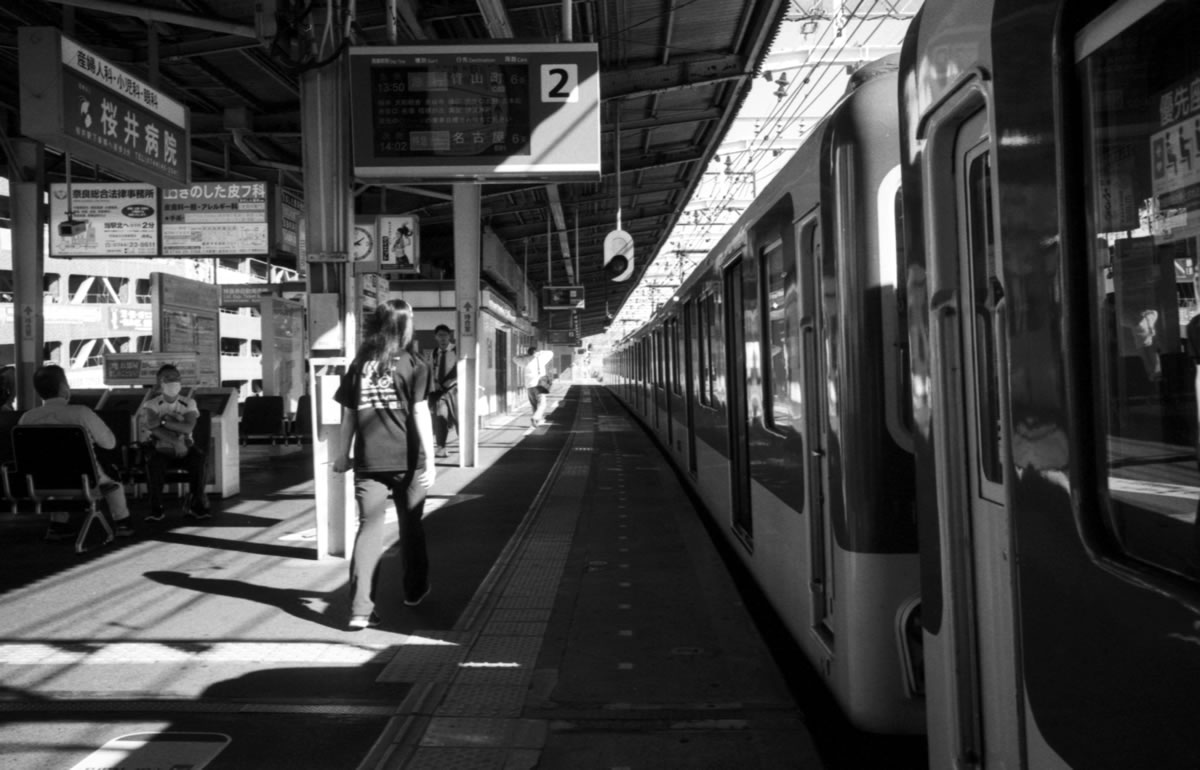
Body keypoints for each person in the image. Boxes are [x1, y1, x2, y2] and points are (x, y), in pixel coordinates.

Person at [333, 299, 437, 630]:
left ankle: (360, 610)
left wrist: (341, 453)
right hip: (408, 462)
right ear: (404, 325)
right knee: (411, 526)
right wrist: (431, 460)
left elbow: (349, 413)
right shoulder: (415, 362)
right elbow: (420, 413)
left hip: (368, 460)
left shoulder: (360, 363)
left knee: (369, 528)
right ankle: (414, 590)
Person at [20, 364, 134, 540]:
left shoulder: (26, 418)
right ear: (63, 387)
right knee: (112, 479)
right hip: (86, 479)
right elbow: (109, 443)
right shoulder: (81, 413)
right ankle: (122, 523)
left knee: (58, 472)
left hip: (43, 480)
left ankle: (58, 525)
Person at [138, 364, 210, 522]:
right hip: (161, 448)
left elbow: (188, 426)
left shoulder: (188, 403)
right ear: (159, 381)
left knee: (199, 460)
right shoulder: (151, 404)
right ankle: (156, 509)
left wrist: (163, 421)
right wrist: (176, 442)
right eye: (168, 378)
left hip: (186, 447)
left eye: (176, 377)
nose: (173, 381)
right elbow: (153, 429)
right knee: (153, 463)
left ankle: (196, 504)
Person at [428, 324, 458, 458]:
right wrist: (434, 382)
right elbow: (431, 370)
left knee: (459, 418)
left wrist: (452, 381)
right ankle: (441, 446)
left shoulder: (457, 350)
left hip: (455, 389)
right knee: (440, 417)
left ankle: (464, 443)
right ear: (435, 337)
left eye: (445, 335)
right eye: (439, 335)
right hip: (439, 392)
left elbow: (463, 369)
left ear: (450, 336)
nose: (442, 338)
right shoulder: (434, 353)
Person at [513, 346, 555, 427]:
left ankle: (536, 422)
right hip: (539, 385)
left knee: (534, 404)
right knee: (542, 404)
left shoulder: (525, 360)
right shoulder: (541, 359)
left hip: (529, 386)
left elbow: (515, 358)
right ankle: (535, 417)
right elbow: (551, 353)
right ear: (536, 352)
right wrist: (540, 353)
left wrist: (525, 355)